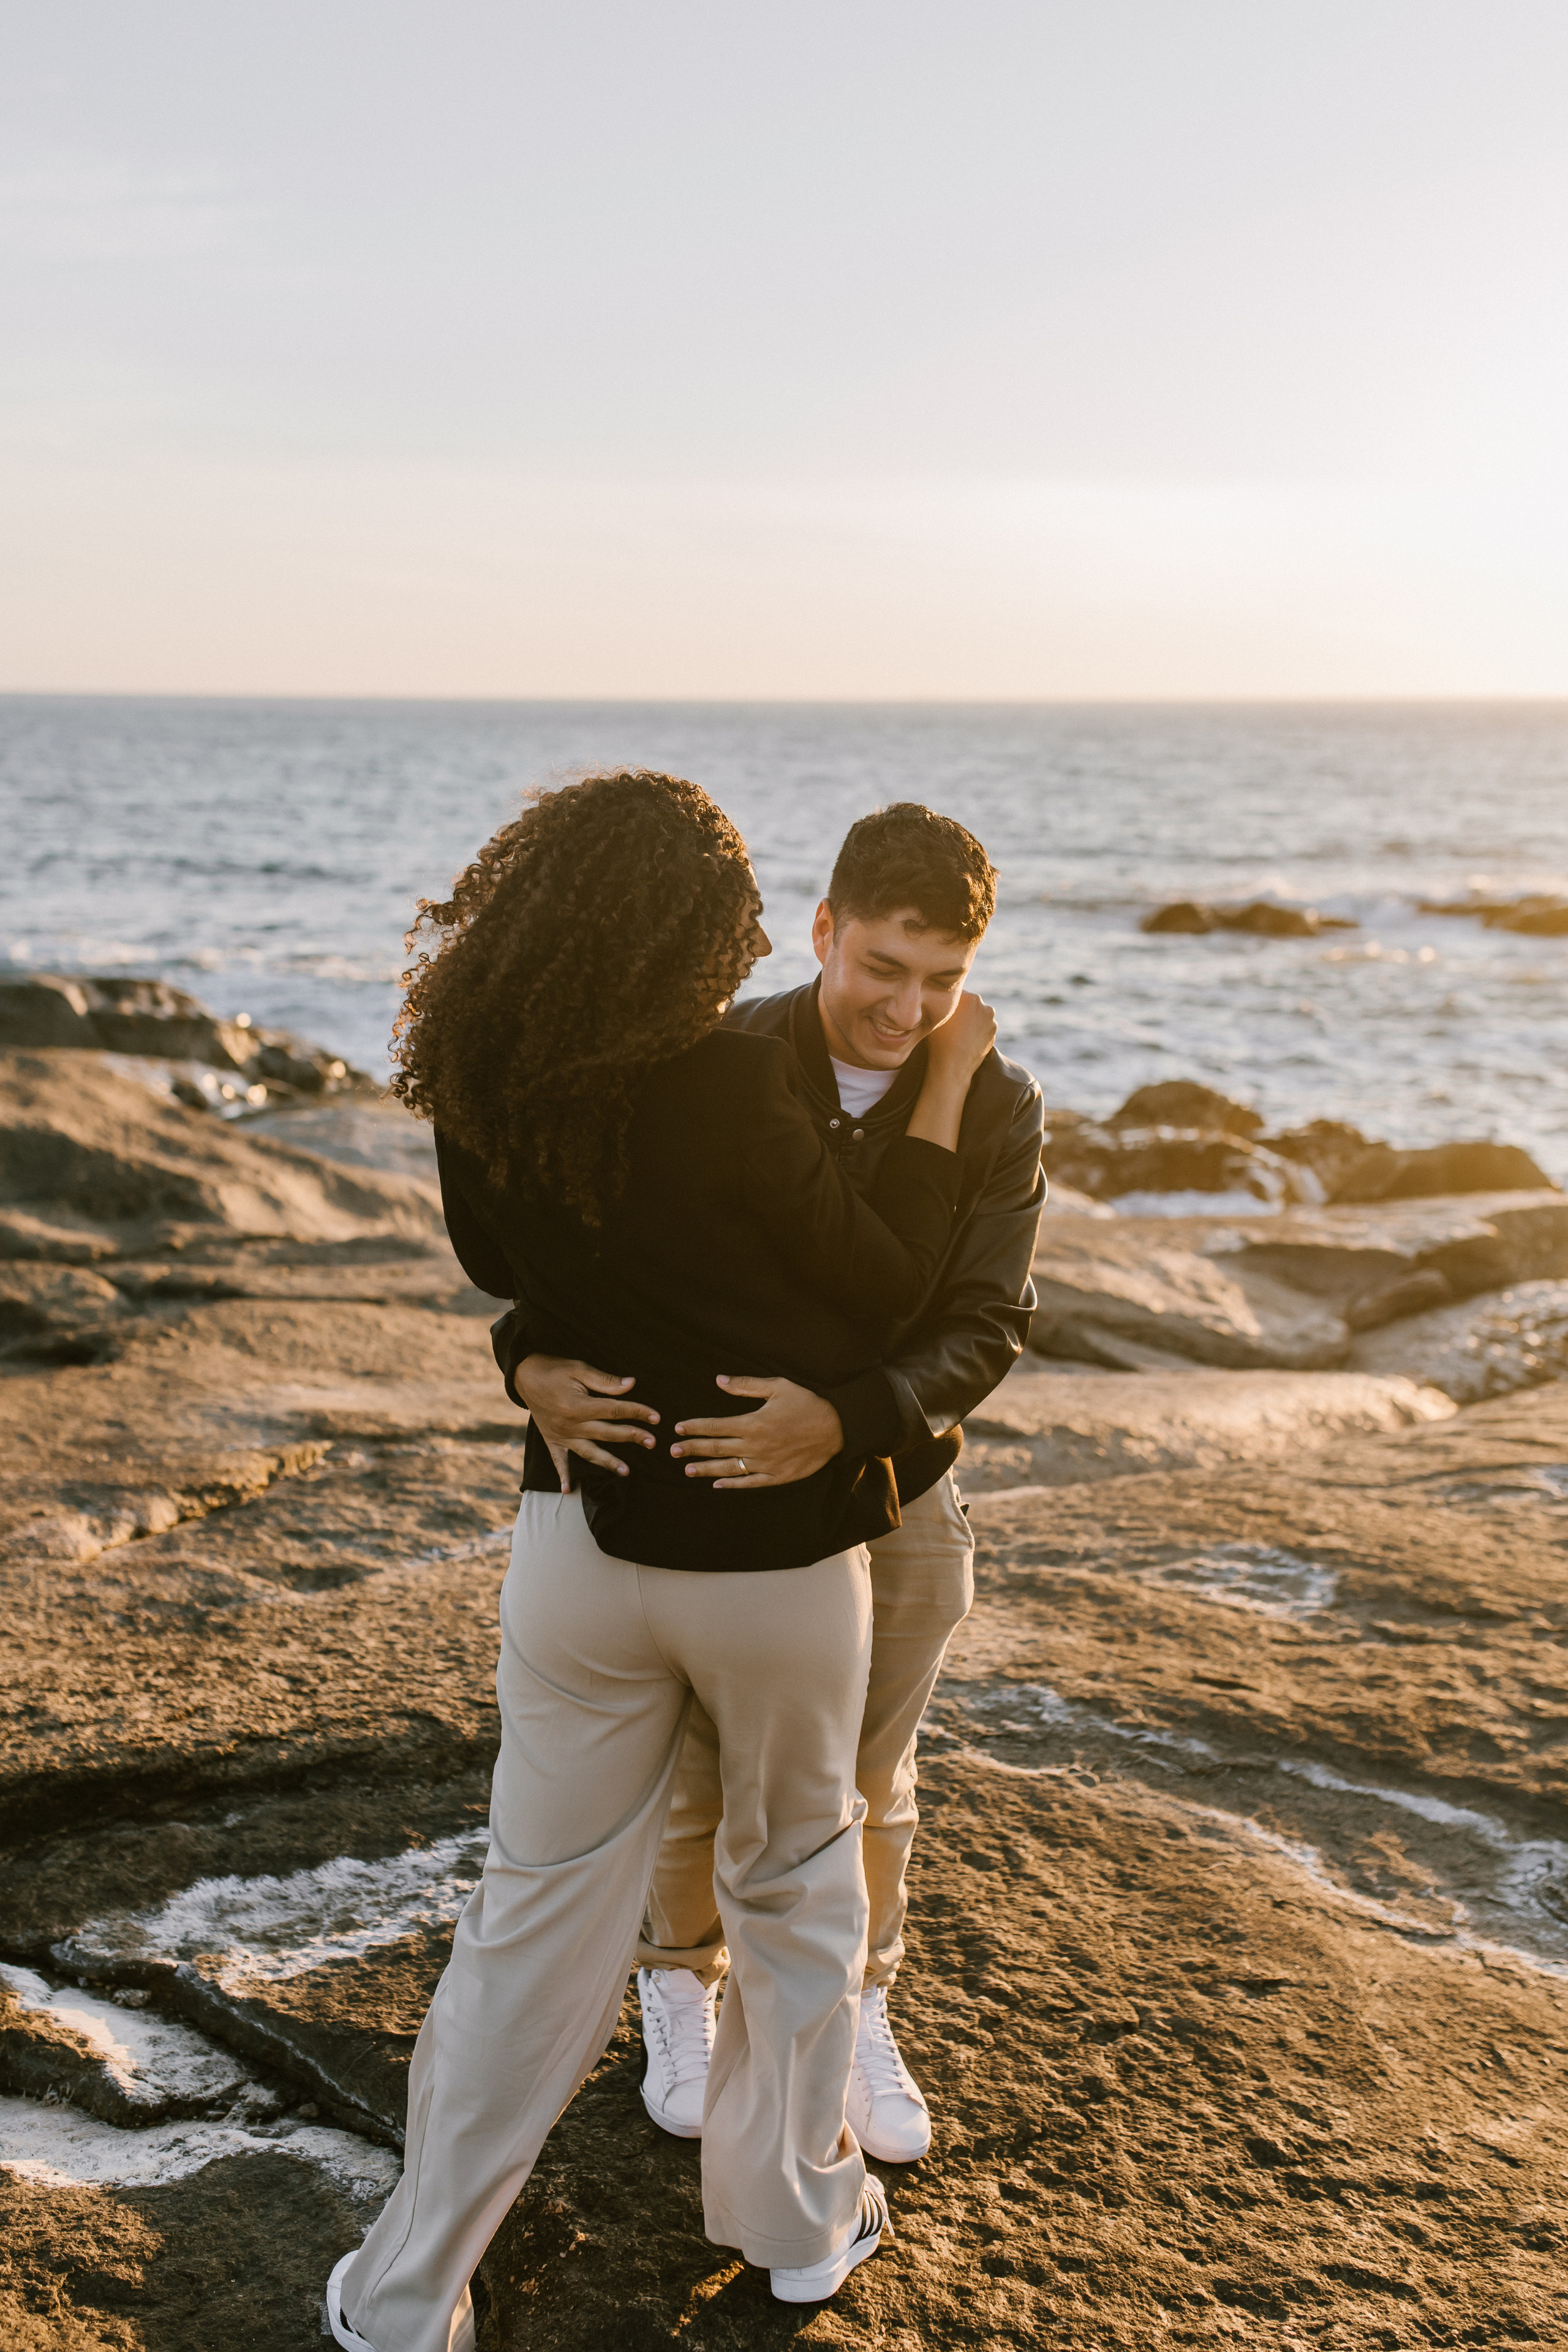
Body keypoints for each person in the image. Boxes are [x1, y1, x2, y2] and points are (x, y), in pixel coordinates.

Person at [326, 771, 998, 2352]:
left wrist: (532, 1365)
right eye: (736, 915)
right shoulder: (723, 1080)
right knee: (796, 1893)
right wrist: (955, 1081)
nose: (750, 941)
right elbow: (890, 1278)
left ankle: (405, 2295)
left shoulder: (494, 1073)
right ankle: (798, 2233)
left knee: (527, 1919)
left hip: (580, 1532)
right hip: (769, 1558)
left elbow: (514, 1270)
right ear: (695, 927)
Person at [509, 803, 1044, 2168]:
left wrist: (853, 1418)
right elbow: (579, 1238)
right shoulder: (714, 1053)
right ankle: (678, 1981)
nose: (907, 1008)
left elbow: (983, 1320)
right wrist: (521, 1355)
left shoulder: (995, 1101)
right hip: (718, 1458)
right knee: (699, 1758)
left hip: (899, 1468)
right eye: (882, 967)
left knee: (868, 1770)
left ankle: (856, 2004)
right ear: (822, 931)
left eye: (942, 981)